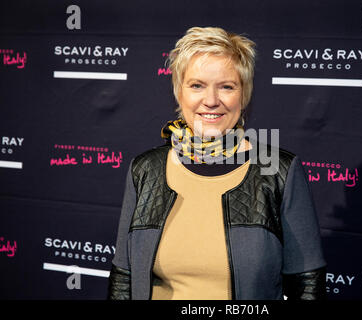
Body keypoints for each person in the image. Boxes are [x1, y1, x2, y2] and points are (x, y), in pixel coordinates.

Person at [108, 26, 326, 300]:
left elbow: (307, 287)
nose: (211, 101)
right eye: (197, 85)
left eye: (226, 87)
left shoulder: (276, 169)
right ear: (179, 92)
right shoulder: (146, 169)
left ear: (243, 95)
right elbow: (123, 279)